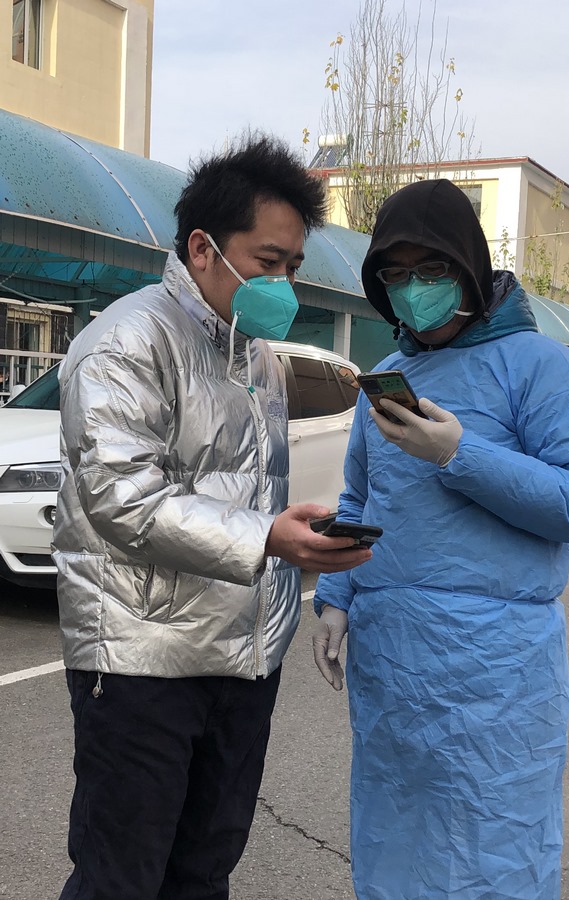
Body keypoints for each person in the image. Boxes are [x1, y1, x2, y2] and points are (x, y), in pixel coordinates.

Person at [52, 135, 371, 900]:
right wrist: (266, 537)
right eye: (268, 261)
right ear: (202, 249)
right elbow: (122, 499)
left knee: (202, 873)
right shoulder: (127, 342)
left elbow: (245, 493)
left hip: (242, 662)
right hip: (142, 662)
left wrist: (289, 526)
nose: (283, 284)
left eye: (293, 266)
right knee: (120, 879)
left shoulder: (258, 358)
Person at [312, 179, 569, 900]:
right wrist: (335, 597)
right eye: (394, 275)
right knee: (394, 838)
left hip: (496, 670)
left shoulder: (538, 365)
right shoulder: (388, 381)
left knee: (494, 845)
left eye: (431, 270)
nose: (412, 289)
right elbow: (361, 496)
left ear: (470, 271)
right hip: (393, 662)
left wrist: (459, 454)